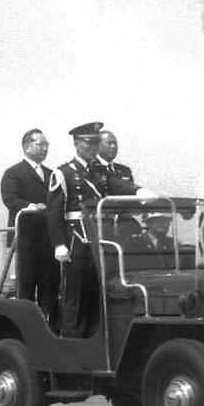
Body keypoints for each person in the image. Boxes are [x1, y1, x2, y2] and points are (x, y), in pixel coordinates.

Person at [47, 122, 151, 338]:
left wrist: (138, 190)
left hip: (100, 237)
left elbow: (117, 185)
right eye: (88, 142)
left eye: (95, 142)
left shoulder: (100, 173)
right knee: (75, 292)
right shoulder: (63, 173)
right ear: (76, 144)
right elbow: (54, 212)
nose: (93, 147)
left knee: (97, 290)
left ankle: (92, 336)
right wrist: (59, 244)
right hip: (77, 238)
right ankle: (73, 337)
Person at [0, 129, 58, 324]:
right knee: (26, 285)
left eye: (46, 145)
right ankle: (25, 327)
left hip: (48, 239)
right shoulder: (14, 173)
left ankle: (48, 326)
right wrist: (32, 207)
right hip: (26, 238)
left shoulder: (51, 175)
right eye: (40, 145)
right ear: (27, 147)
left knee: (49, 284)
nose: (45, 149)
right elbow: (10, 199)